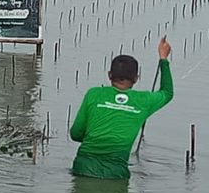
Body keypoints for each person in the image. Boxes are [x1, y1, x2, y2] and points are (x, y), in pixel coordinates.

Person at [69, 37, 173, 180]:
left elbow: (75, 134)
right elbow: (167, 93)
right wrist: (163, 59)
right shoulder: (144, 100)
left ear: (110, 75)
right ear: (136, 78)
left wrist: (97, 139)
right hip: (116, 175)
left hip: (82, 169)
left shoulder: (93, 94)